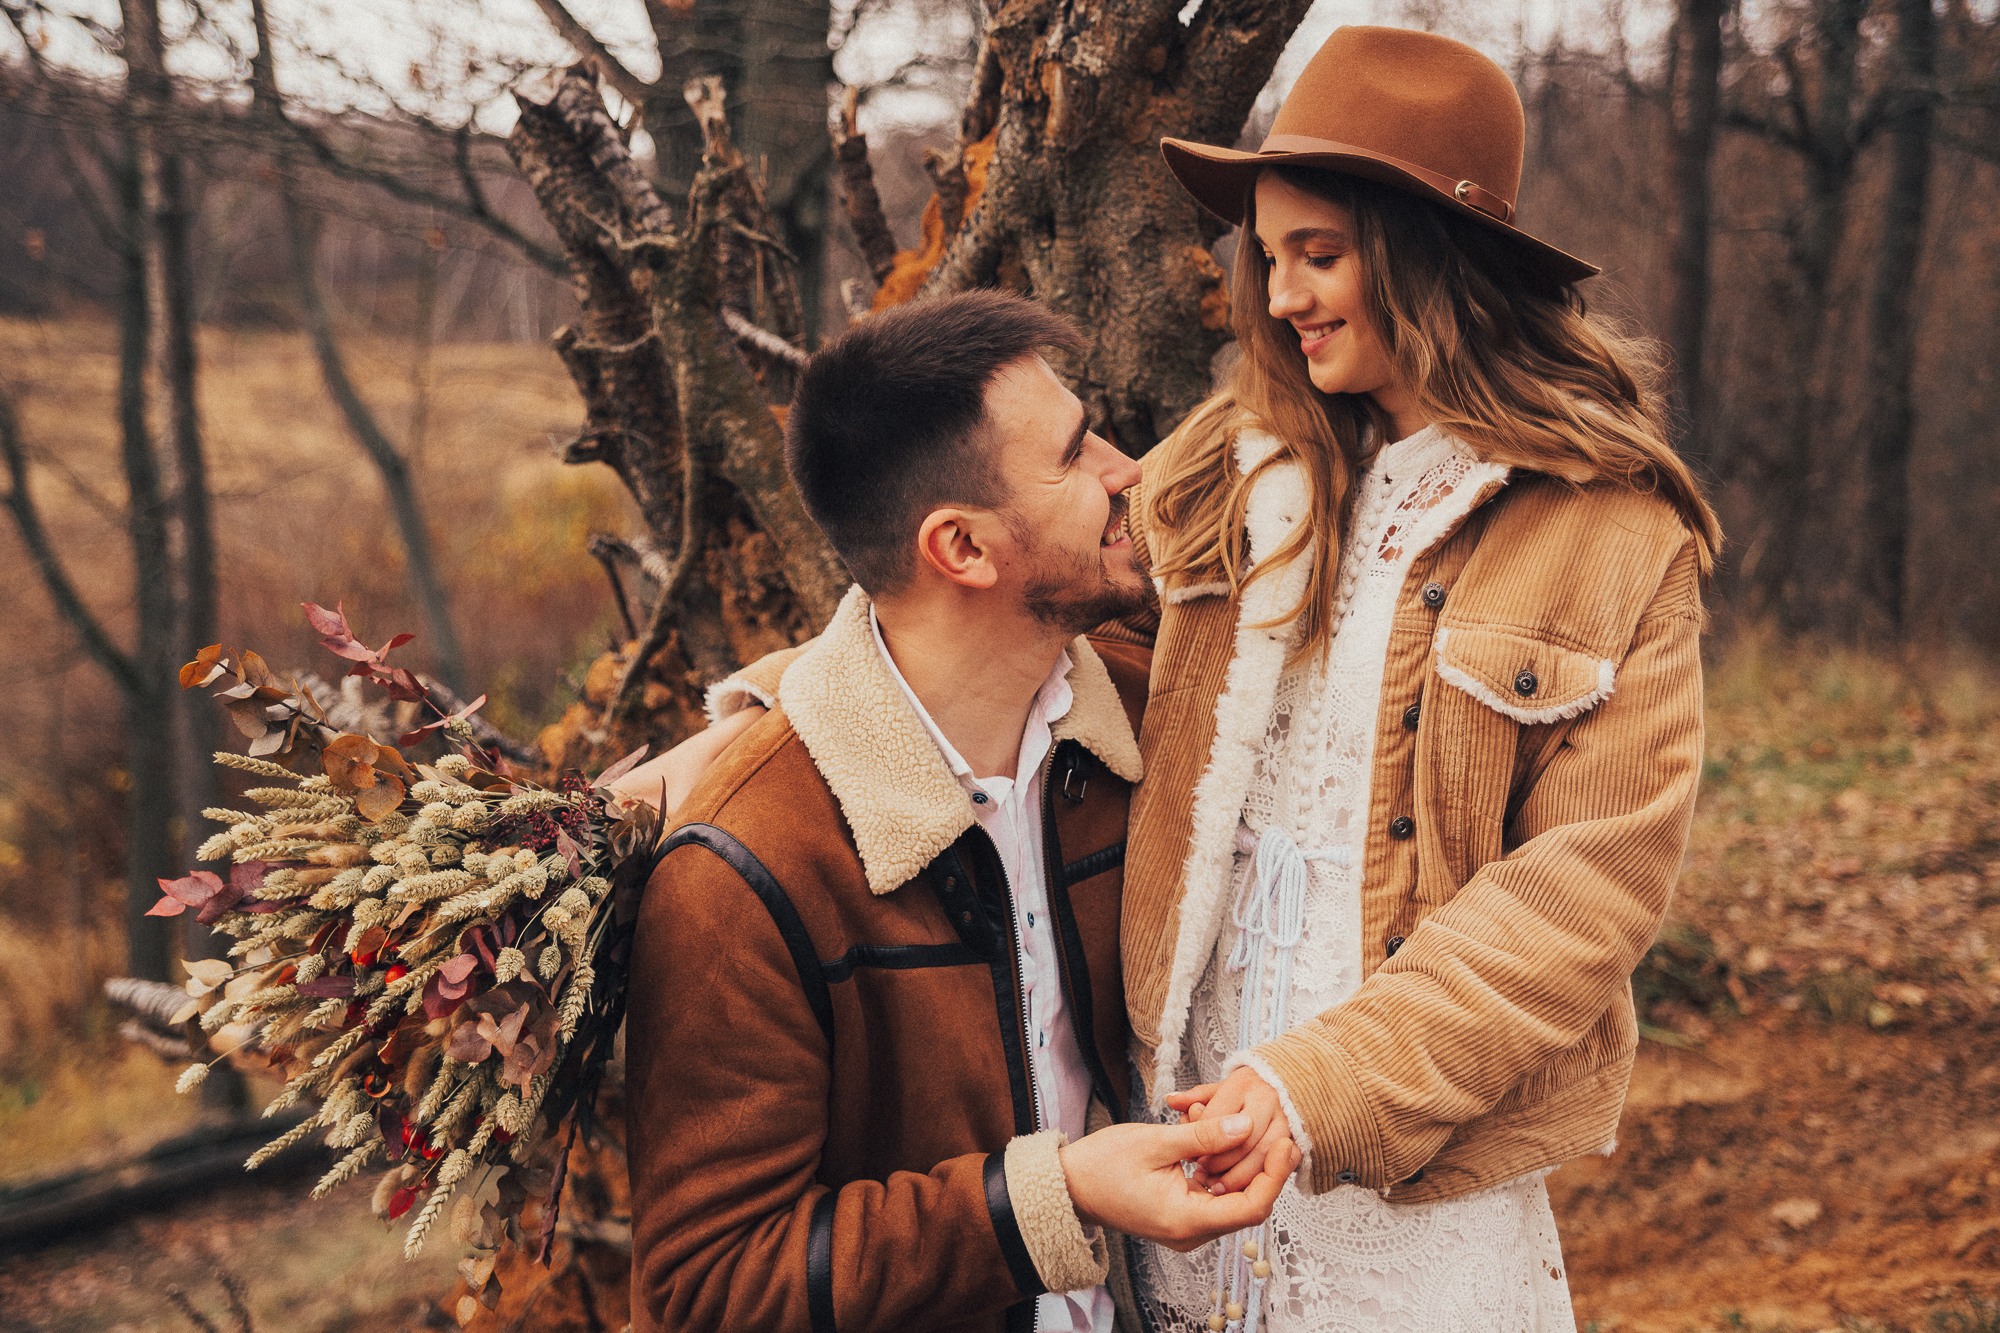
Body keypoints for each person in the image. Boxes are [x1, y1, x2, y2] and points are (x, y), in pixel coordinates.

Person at [628, 25, 1721, 1331]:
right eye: (1268, 258)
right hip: (1182, 1187)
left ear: (1434, 252)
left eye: (1318, 254)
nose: (1283, 295)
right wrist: (739, 746)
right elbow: (957, 607)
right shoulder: (1240, 466)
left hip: (1407, 1196)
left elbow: (1583, 896)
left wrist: (1321, 1086)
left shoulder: (1616, 537)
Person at [622, 291, 1298, 1333]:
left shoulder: (1144, 717)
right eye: (1076, 455)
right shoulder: (744, 870)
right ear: (963, 550)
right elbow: (708, 1292)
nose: (1128, 469)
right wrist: (1055, 1197)